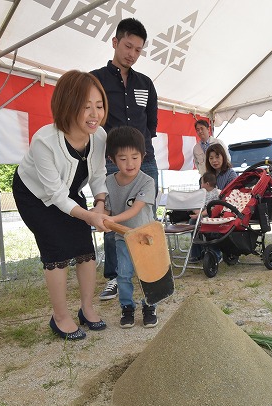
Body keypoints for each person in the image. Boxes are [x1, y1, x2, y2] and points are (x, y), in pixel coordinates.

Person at [12, 70, 110, 340]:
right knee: (55, 249)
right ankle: (60, 316)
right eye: (86, 106)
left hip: (68, 191)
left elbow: (99, 174)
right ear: (68, 105)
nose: (95, 114)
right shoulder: (45, 140)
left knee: (84, 247)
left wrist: (99, 205)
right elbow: (54, 194)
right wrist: (88, 216)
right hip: (34, 195)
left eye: (99, 106)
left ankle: (87, 308)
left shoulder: (99, 136)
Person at [91, 18, 158, 302]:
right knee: (111, 220)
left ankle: (151, 271)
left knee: (146, 218)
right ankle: (116, 278)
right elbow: (91, 119)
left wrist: (141, 154)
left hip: (146, 160)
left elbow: (151, 124)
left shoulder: (146, 83)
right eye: (128, 46)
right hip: (111, 161)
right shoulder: (95, 80)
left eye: (138, 50)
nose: (132, 53)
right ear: (115, 42)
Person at [103, 126, 158, 328]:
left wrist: (111, 221)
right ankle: (127, 307)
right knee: (123, 274)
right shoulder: (107, 182)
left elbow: (135, 210)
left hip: (145, 237)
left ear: (143, 156)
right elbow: (105, 210)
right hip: (122, 238)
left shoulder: (147, 181)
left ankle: (149, 305)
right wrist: (98, 217)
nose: (130, 163)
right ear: (112, 159)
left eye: (135, 157)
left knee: (147, 274)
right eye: (123, 158)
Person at [187, 172, 221, 263]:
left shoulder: (217, 193)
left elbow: (214, 208)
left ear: (207, 184)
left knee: (211, 229)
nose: (200, 185)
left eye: (201, 183)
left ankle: (215, 253)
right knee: (192, 222)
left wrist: (200, 214)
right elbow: (194, 204)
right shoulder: (201, 193)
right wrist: (197, 212)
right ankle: (196, 253)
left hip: (213, 217)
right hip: (202, 216)